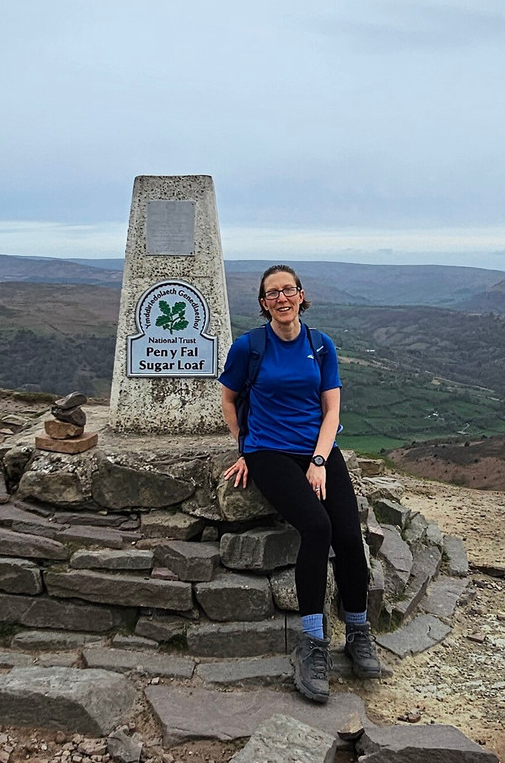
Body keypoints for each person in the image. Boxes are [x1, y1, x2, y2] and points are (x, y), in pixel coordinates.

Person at [219, 264, 381, 703]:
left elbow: (331, 412)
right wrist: (243, 446)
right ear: (263, 303)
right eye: (272, 294)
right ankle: (312, 641)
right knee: (317, 527)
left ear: (301, 295)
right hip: (268, 452)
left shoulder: (321, 345)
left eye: (288, 290)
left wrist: (319, 460)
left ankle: (359, 630)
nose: (281, 298)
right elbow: (229, 400)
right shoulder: (248, 347)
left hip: (317, 450)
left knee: (348, 534)